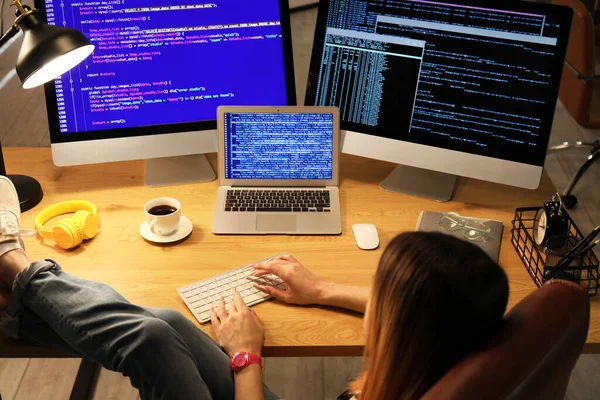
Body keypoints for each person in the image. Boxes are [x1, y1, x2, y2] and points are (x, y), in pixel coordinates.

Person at [0, 175, 509, 400]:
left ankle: (13, 262)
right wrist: (322, 290)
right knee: (170, 322)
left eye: (384, 297)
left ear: (405, 329)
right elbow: (420, 304)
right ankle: (14, 307)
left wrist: (246, 356)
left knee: (148, 341)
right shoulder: (446, 348)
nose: (375, 300)